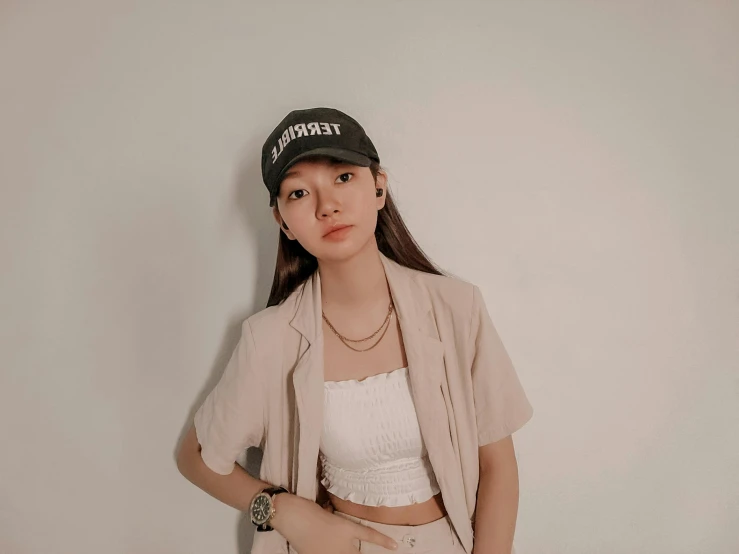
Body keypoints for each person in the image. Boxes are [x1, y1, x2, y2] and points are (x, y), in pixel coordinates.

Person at [176, 107, 534, 554]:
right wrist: (286, 512)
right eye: (300, 192)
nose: (328, 206)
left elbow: (498, 465)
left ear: (379, 186)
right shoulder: (269, 338)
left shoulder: (456, 308)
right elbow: (196, 457)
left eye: (344, 177)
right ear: (283, 222)